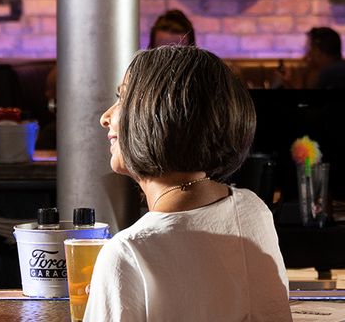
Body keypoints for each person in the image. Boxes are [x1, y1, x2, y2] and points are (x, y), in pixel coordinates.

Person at [86, 45, 290, 322]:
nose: (105, 117)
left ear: (159, 116)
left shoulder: (127, 253)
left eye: (123, 98)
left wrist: (109, 286)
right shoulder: (252, 208)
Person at [295, 26, 345, 90]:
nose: (307, 55)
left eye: (310, 49)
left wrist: (301, 78)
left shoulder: (331, 73)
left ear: (317, 51)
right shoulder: (342, 68)